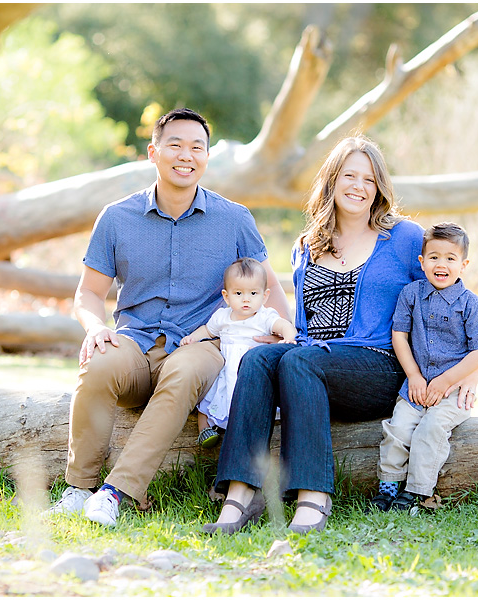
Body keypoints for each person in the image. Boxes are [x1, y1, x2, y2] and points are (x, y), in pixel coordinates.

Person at [205, 136, 478, 535]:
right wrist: (281, 342)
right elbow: (304, 322)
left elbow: (454, 296)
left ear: (379, 188)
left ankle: (313, 498)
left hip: (379, 367)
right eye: (349, 175)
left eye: (369, 179)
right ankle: (239, 498)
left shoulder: (403, 238)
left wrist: (469, 371)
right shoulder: (308, 244)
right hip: (313, 363)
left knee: (301, 360)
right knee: (259, 358)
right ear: (332, 181)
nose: (358, 186)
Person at [44, 108, 290, 527]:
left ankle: (114, 493)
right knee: (98, 364)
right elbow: (88, 293)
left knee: (184, 371)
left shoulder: (234, 219)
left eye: (198, 147)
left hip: (201, 346)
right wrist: (96, 326)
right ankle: (78, 487)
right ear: (152, 153)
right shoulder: (117, 218)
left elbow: (272, 291)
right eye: (175, 144)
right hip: (135, 343)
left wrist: (281, 343)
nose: (186, 155)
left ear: (207, 157)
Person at [371, 222, 478, 512]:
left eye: (450, 258)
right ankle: (387, 487)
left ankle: (415, 492)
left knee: (430, 430)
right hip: (417, 386)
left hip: (452, 391)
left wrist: (447, 381)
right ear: (422, 262)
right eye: (434, 257)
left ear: (463, 265)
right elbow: (399, 335)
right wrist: (413, 375)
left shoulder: (472, 306)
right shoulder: (411, 295)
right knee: (397, 429)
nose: (442, 264)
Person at [181, 257, 298, 449]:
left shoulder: (264, 316)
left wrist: (288, 337)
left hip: (250, 370)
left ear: (265, 295)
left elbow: (283, 325)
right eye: (238, 293)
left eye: (253, 293)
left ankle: (251, 432)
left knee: (253, 400)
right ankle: (205, 430)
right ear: (226, 297)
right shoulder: (223, 317)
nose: (246, 299)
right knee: (209, 397)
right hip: (227, 369)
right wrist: (193, 338)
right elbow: (208, 331)